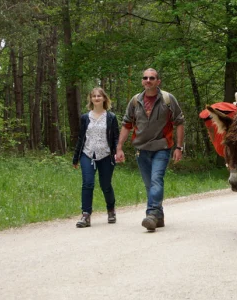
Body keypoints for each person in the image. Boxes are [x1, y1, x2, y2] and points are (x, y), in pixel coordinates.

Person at [115, 68, 185, 232]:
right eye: (145, 78)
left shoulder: (168, 99)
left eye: (152, 78)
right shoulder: (135, 101)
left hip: (162, 146)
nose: (148, 80)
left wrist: (179, 147)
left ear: (158, 81)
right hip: (141, 149)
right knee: (149, 185)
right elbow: (126, 124)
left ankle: (152, 214)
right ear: (142, 81)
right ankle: (158, 217)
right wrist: (119, 147)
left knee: (156, 180)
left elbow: (179, 122)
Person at [72, 87, 120, 228]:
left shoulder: (111, 117)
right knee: (88, 183)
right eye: (94, 96)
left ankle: (111, 210)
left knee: (105, 185)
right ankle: (86, 215)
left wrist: (117, 151)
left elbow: (116, 137)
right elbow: (81, 138)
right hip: (87, 154)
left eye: (99, 96)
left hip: (106, 155)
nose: (97, 98)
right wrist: (76, 158)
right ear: (91, 99)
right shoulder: (85, 118)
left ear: (104, 98)